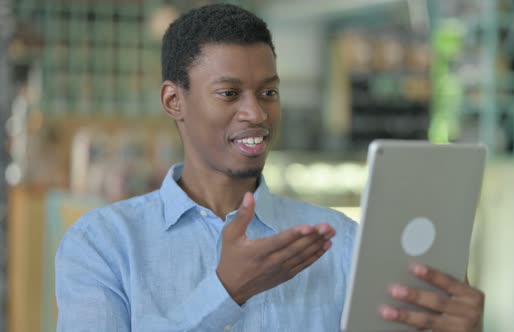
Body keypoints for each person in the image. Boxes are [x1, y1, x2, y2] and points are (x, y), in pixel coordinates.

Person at [55, 4, 484, 331]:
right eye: (229, 93)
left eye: (268, 93)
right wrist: (225, 292)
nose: (255, 113)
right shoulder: (102, 245)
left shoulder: (343, 244)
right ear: (174, 101)